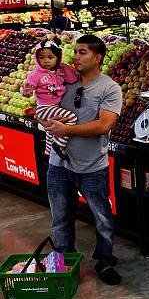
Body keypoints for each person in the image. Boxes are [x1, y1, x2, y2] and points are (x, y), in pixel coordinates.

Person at [39, 34, 123, 285]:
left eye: (83, 52)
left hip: (92, 166)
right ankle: (65, 262)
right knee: (60, 217)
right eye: (75, 51)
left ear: (98, 58)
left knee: (102, 217)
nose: (76, 56)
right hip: (59, 164)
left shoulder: (109, 87)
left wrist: (66, 130)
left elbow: (104, 124)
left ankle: (105, 261)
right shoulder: (61, 82)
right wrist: (43, 119)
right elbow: (43, 106)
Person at [21, 38, 78, 158]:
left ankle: (49, 152)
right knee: (71, 117)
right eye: (41, 57)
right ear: (37, 58)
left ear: (58, 58)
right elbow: (27, 88)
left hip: (53, 108)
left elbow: (73, 79)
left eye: (50, 57)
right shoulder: (35, 74)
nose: (46, 60)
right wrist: (25, 91)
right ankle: (59, 145)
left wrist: (64, 67)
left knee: (51, 131)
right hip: (44, 109)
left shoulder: (59, 72)